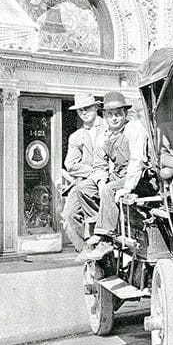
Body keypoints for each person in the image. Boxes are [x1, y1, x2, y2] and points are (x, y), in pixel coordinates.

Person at [78, 91, 151, 262]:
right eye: (110, 114)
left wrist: (127, 187)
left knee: (110, 191)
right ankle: (99, 226)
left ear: (125, 114)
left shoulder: (134, 128)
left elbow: (137, 160)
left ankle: (106, 239)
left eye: (118, 114)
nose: (115, 118)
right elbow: (100, 166)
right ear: (104, 115)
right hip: (117, 176)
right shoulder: (103, 137)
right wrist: (101, 181)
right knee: (83, 189)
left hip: (139, 177)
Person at [60, 94, 106, 253]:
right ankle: (87, 251)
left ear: (96, 107)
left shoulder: (110, 126)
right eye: (80, 110)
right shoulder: (76, 137)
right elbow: (70, 165)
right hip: (87, 180)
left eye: (87, 108)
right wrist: (94, 172)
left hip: (111, 178)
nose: (84, 112)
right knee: (69, 215)